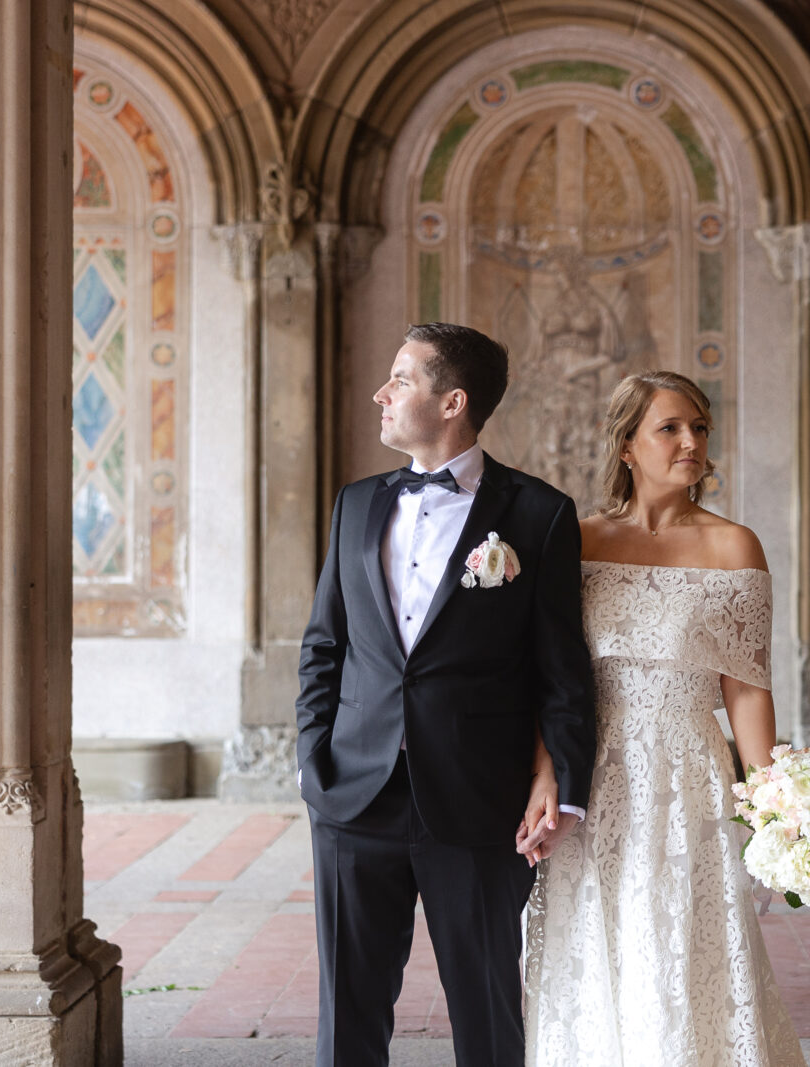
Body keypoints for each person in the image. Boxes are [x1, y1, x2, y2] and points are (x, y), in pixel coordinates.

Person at [295, 322, 596, 1067]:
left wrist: (563, 785)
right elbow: (324, 645)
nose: (382, 393)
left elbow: (562, 667)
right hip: (353, 795)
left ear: (453, 401)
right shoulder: (357, 504)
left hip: (478, 800)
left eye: (401, 378)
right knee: (346, 1012)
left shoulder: (538, 514)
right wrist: (310, 761)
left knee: (488, 1010)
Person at [517, 370, 807, 1066]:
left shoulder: (734, 546)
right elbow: (550, 678)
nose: (690, 442)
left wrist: (774, 809)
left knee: (686, 939)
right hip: (594, 770)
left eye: (700, 427)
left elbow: (746, 688)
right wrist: (544, 772)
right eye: (670, 428)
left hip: (689, 774)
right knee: (594, 937)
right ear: (626, 445)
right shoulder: (577, 542)